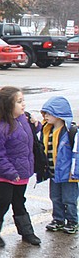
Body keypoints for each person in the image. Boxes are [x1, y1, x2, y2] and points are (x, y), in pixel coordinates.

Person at [0, 87, 41, 247]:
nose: (23, 104)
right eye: (19, 101)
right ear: (8, 105)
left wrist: (36, 124)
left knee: (19, 201)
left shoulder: (24, 118)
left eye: (23, 100)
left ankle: (27, 233)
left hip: (22, 172)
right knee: (4, 201)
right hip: (6, 174)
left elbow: (29, 136)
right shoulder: (1, 127)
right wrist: (10, 172)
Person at [40, 96, 79, 234]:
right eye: (44, 113)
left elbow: (76, 154)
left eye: (48, 113)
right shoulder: (47, 130)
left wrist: (75, 172)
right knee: (55, 197)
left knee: (69, 199)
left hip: (68, 174)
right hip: (53, 173)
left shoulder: (71, 132)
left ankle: (73, 221)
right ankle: (58, 219)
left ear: (59, 114)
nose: (45, 116)